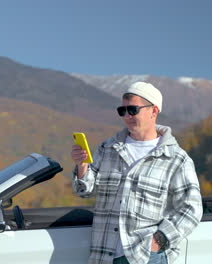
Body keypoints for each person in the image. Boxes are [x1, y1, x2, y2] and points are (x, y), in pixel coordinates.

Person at [71, 82, 203, 264]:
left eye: (132, 110)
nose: (126, 116)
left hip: (145, 258)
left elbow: (191, 208)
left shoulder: (176, 159)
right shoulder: (107, 148)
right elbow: (84, 191)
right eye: (122, 110)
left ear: (154, 111)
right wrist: (82, 166)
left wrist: (159, 241)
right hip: (103, 255)